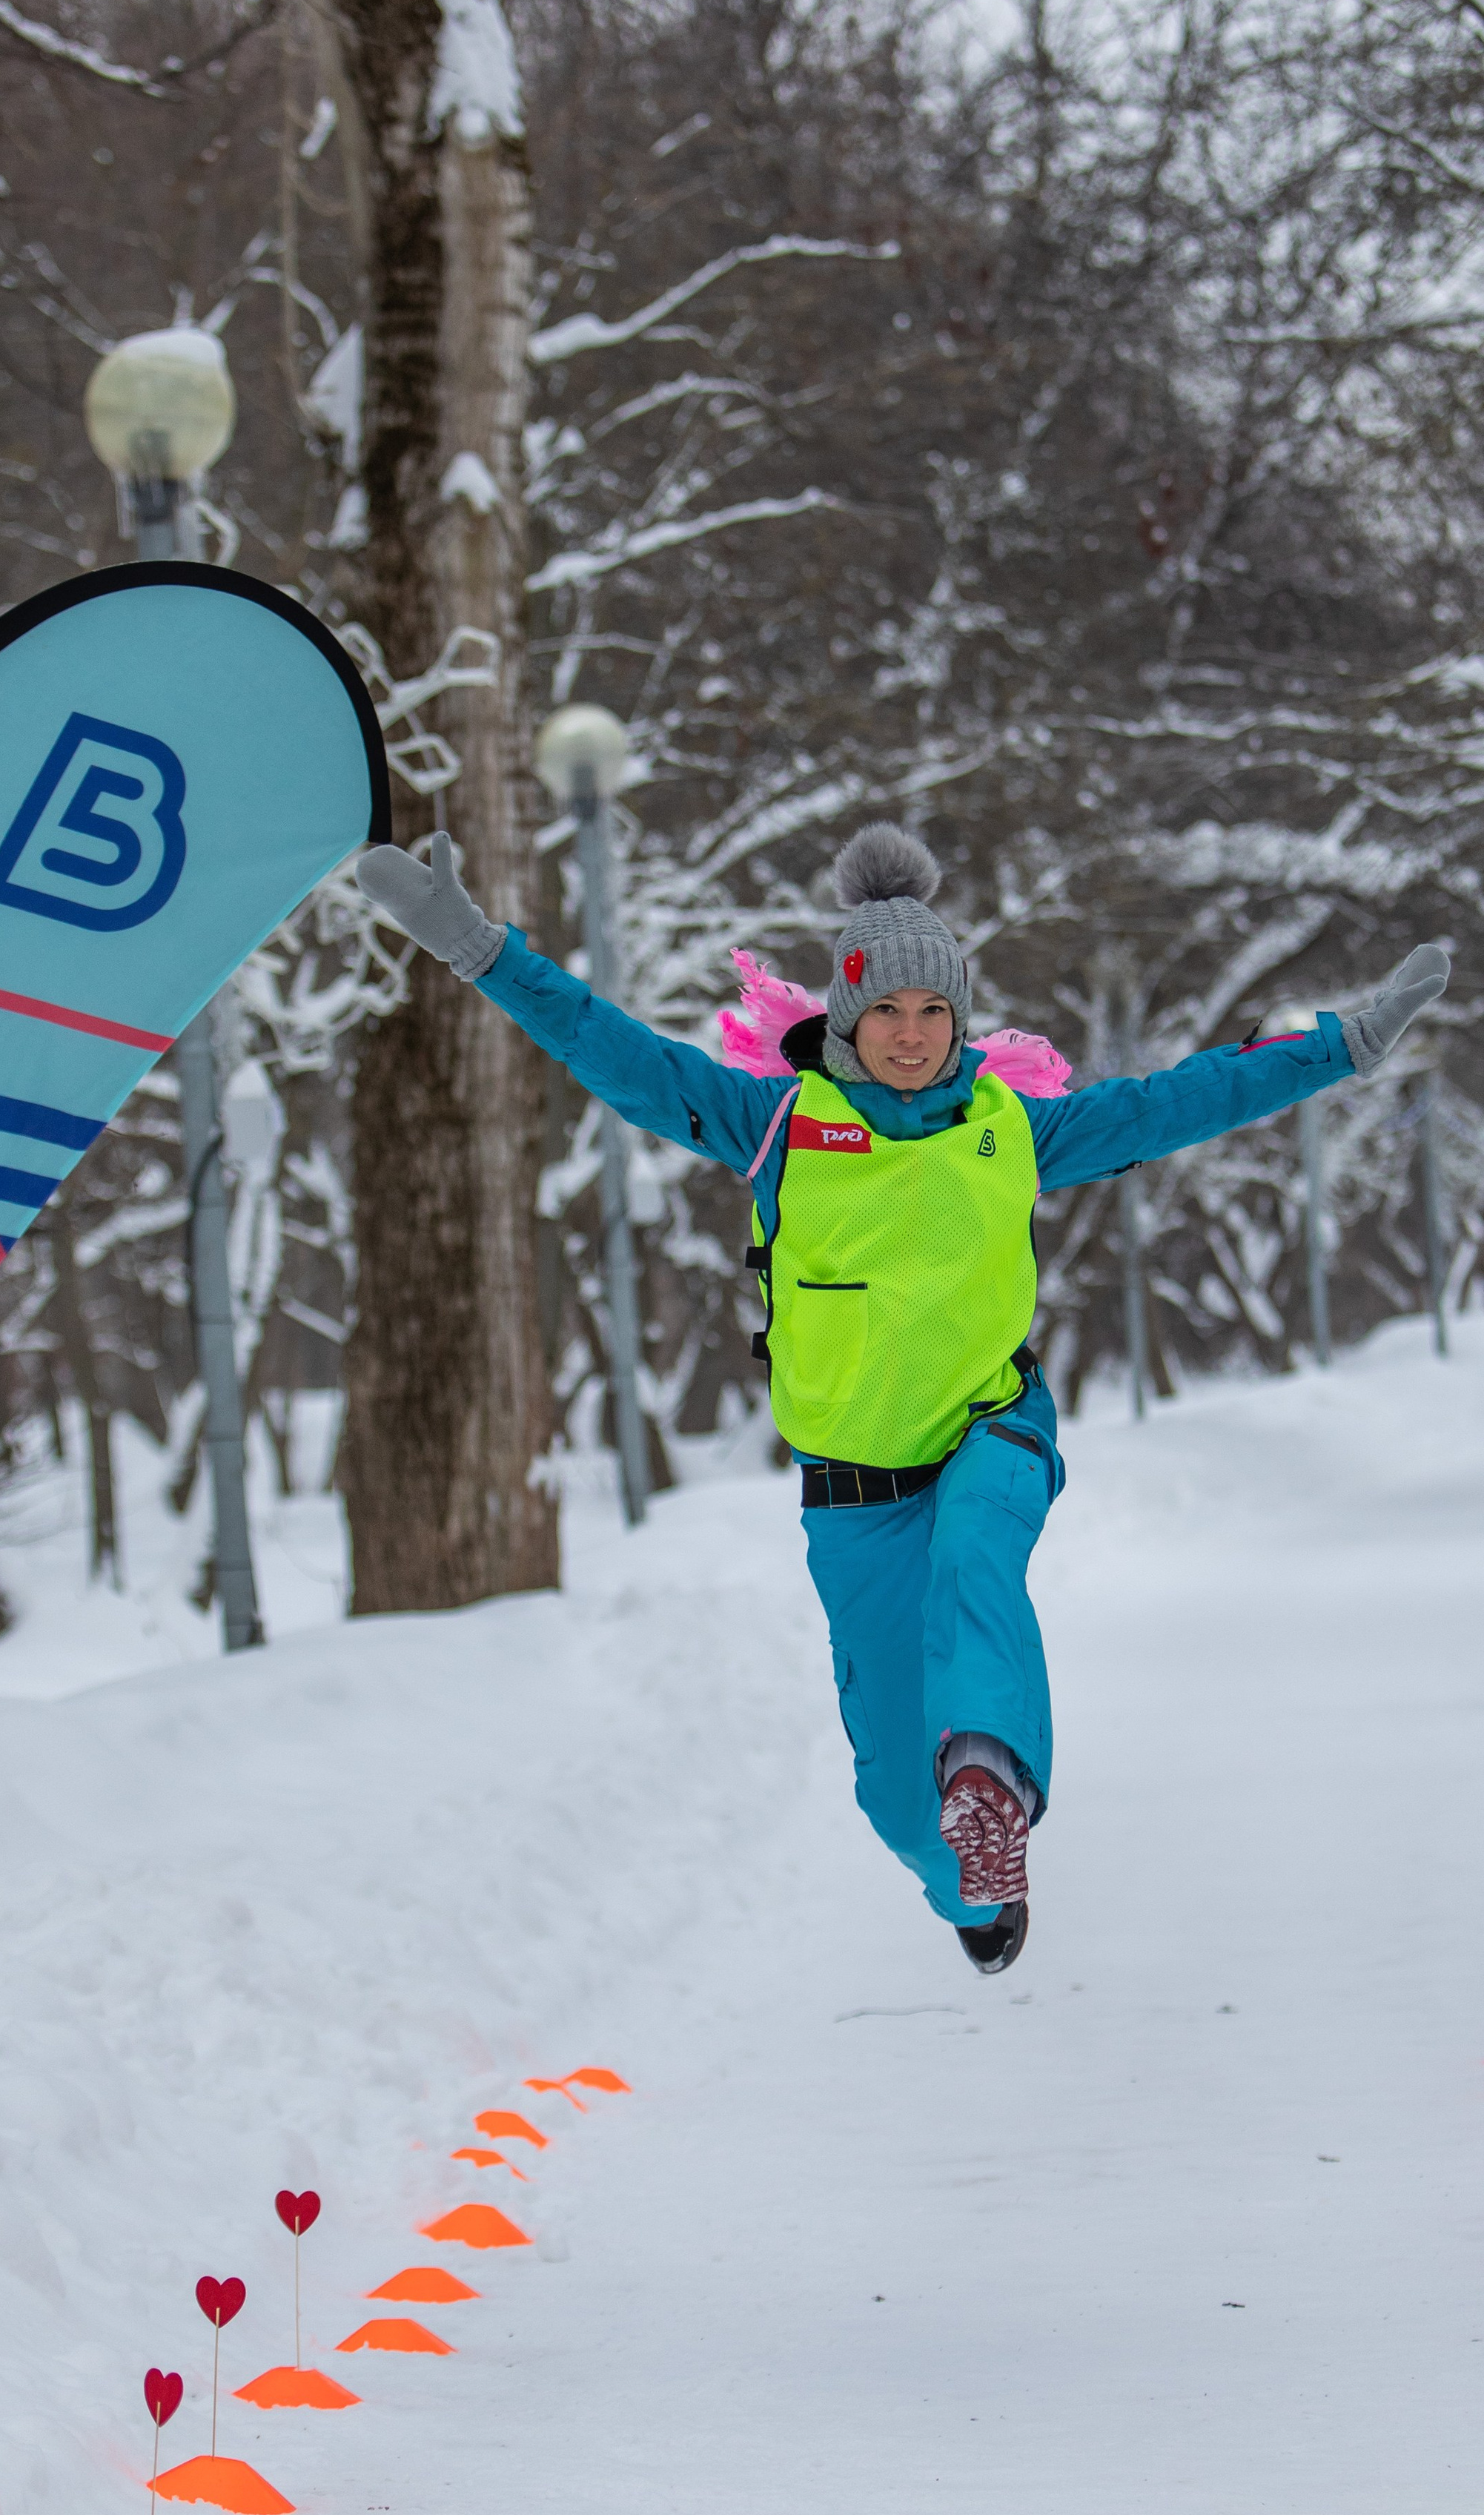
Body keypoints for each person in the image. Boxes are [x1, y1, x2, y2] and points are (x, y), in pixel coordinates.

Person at [356, 820, 1449, 1974]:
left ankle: (988, 1781)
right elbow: (610, 1048)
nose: (914, 1037)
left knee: (978, 1555)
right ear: (846, 1016)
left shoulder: (1011, 1129)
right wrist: (477, 948)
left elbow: (1184, 1100)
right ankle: (967, 1884)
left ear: (961, 1020)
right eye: (888, 1013)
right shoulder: (772, 1126)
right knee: (890, 1787)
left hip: (993, 1424)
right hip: (854, 1492)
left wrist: (1346, 1044)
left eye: (935, 1014)